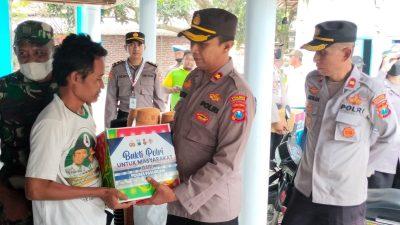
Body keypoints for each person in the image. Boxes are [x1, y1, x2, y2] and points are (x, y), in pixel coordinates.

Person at [138, 8, 256, 225]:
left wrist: (177, 194)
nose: (193, 50)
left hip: (209, 211)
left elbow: (226, 162)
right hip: (176, 200)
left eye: (202, 44)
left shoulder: (236, 94)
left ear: (227, 46)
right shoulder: (193, 78)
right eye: (192, 42)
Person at [282, 21, 398, 225]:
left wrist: (363, 169)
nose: (315, 59)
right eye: (315, 53)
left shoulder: (369, 91)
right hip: (304, 189)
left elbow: (391, 135)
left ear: (346, 53)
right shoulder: (312, 82)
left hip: (343, 197)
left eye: (322, 53)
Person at [24, 34, 134, 225]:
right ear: (75, 77)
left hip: (91, 216)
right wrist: (101, 192)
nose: (101, 86)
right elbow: (36, 189)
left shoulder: (83, 109)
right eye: (98, 78)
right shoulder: (53, 122)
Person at [0, 20, 57, 225]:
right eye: (23, 53)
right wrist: (5, 195)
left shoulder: (70, 85)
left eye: (39, 51)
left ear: (53, 47)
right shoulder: (4, 89)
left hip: (62, 194)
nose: (31, 59)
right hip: (16, 193)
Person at [105, 32, 165, 128]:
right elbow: (111, 100)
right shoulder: (117, 69)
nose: (136, 48)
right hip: (124, 117)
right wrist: (109, 126)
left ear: (144, 47)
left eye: (139, 45)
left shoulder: (153, 69)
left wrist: (160, 124)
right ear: (126, 47)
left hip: (147, 117)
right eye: (131, 44)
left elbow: (159, 99)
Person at [368, 47, 400, 189]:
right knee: (376, 203)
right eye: (392, 59)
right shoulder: (377, 84)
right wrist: (383, 71)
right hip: (381, 159)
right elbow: (370, 93)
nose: (396, 63)